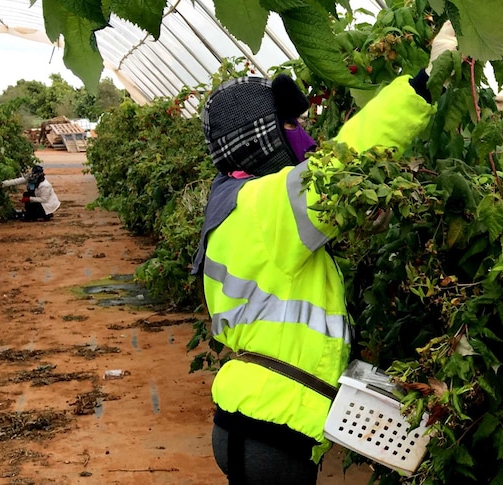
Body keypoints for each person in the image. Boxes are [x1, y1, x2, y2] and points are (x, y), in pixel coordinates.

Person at [191, 22, 457, 485]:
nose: (306, 135)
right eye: (291, 125)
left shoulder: (231, 201)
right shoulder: (262, 205)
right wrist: (424, 83)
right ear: (262, 139)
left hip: (247, 418)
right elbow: (344, 162)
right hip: (273, 429)